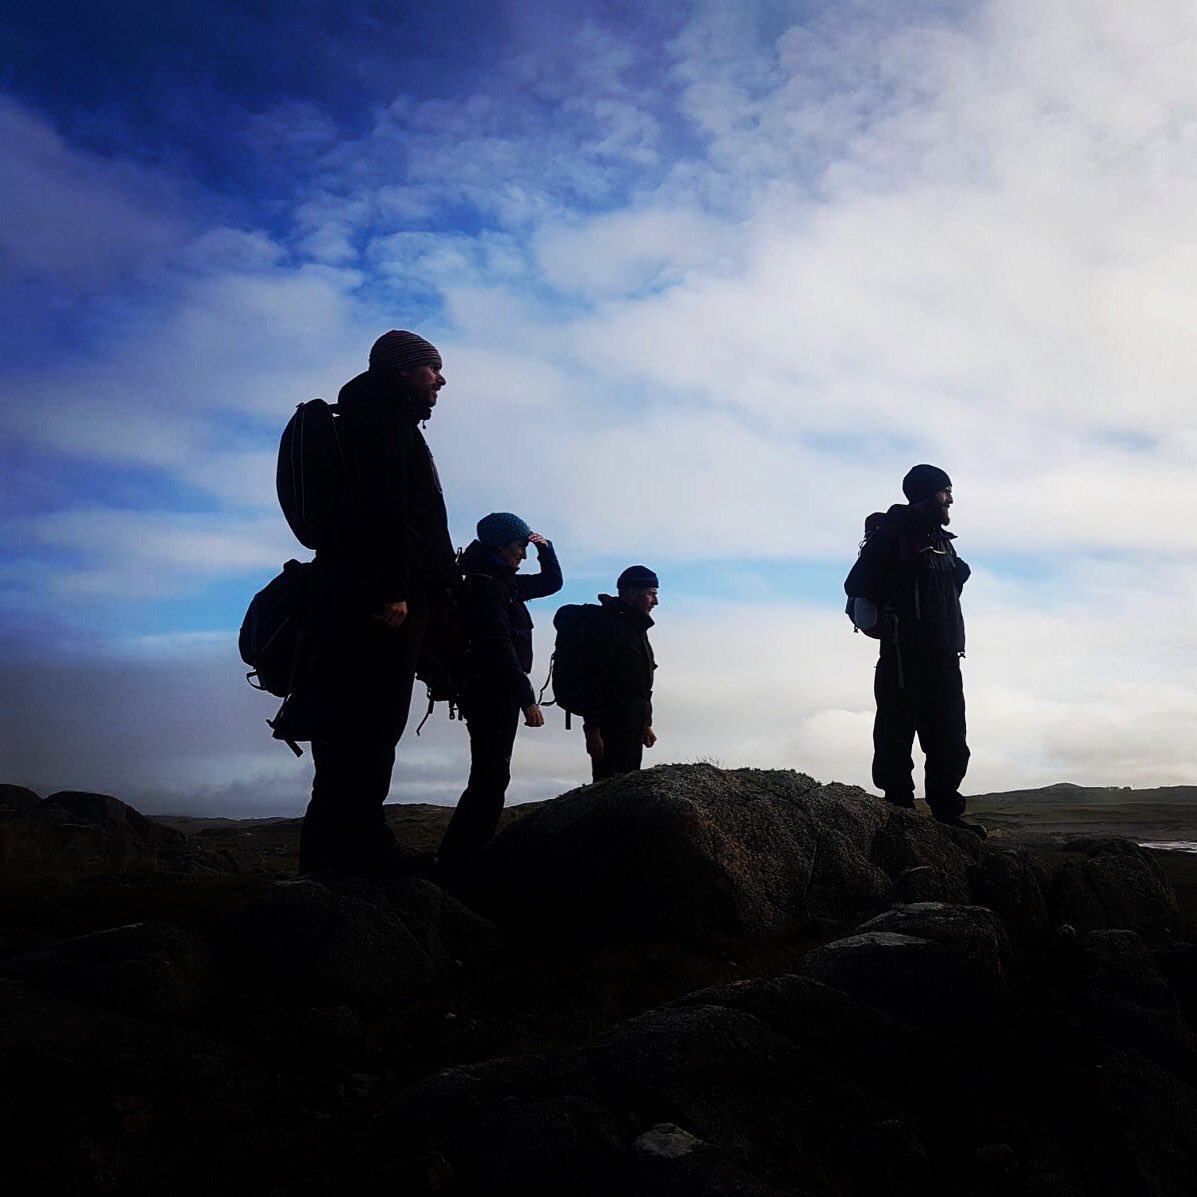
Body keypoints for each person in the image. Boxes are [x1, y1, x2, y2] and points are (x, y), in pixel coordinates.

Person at [294, 329, 458, 875]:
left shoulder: (371, 417)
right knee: (370, 722)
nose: (440, 379)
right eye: (430, 369)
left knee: (348, 722)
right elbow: (386, 511)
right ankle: (358, 847)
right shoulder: (384, 424)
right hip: (382, 598)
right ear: (400, 372)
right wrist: (393, 587)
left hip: (359, 589)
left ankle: (330, 848)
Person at [844, 464, 984, 836]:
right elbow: (855, 583)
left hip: (945, 655)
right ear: (925, 494)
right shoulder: (893, 537)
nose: (951, 498)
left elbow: (940, 596)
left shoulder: (942, 541)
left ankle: (946, 813)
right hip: (903, 655)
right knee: (896, 731)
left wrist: (957, 575)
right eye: (945, 491)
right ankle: (899, 809)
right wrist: (909, 570)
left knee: (950, 736)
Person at [435, 513, 562, 882]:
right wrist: (527, 698)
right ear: (500, 546)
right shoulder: (488, 587)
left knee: (491, 776)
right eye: (520, 546)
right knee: (489, 779)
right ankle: (460, 862)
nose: (523, 554)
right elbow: (497, 645)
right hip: (491, 692)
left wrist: (546, 550)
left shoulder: (502, 582)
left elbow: (552, 583)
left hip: (492, 691)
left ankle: (461, 857)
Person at [583, 566, 659, 781]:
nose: (655, 602)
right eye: (651, 594)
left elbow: (638, 682)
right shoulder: (608, 626)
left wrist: (645, 724)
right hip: (611, 729)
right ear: (632, 593)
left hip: (633, 726)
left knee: (626, 789)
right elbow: (593, 679)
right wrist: (593, 730)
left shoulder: (635, 627)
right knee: (609, 792)